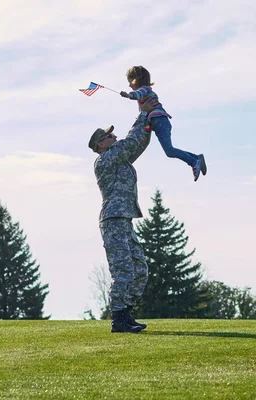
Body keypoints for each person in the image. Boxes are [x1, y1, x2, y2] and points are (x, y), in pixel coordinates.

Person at [88, 99, 158, 333]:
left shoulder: (117, 156)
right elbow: (130, 143)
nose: (114, 138)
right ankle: (118, 320)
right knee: (123, 272)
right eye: (109, 137)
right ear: (101, 145)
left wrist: (149, 123)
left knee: (140, 269)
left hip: (124, 219)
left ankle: (126, 313)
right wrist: (143, 114)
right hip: (113, 220)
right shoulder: (106, 159)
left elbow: (137, 144)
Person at [120, 65, 207, 182]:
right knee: (169, 151)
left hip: (160, 121)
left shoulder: (144, 89)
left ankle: (194, 162)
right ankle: (197, 158)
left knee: (169, 151)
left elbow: (137, 94)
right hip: (159, 122)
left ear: (137, 80)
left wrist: (128, 95)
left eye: (130, 82)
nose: (129, 85)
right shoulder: (145, 92)